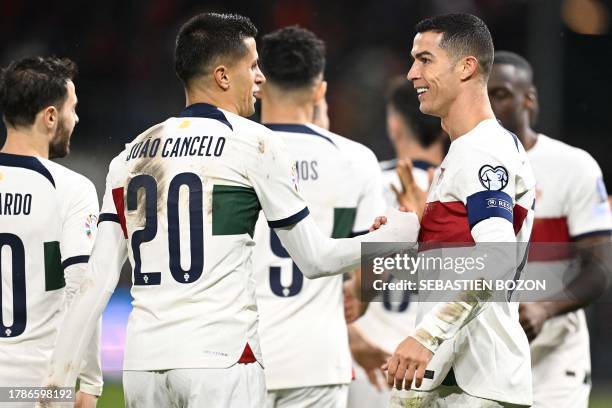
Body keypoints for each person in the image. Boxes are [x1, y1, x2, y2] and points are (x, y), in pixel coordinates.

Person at [40, 12, 418, 407]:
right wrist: (392, 236)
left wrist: (63, 379)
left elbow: (94, 282)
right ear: (223, 76)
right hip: (220, 359)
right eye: (252, 66)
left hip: (143, 364)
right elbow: (315, 258)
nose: (259, 78)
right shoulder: (254, 143)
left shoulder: (129, 156)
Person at [382, 13, 536, 407]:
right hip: (463, 378)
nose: (412, 73)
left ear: (466, 67)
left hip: (473, 381)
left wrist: (425, 336)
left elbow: (497, 258)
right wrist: (418, 235)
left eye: (425, 59)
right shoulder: (471, 148)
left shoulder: (481, 149)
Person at [252, 25, 386, 408]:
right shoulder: (355, 159)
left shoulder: (236, 153)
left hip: (238, 358)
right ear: (320, 90)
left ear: (258, 85)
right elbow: (376, 255)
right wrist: (359, 295)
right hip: (316, 361)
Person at [488, 50, 612, 408]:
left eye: (501, 94)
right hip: (485, 356)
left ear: (529, 99)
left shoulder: (573, 166)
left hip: (554, 361)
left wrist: (544, 309)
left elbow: (601, 267)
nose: (492, 106)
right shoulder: (460, 168)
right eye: (485, 95)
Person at [0, 57, 102, 406]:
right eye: (72, 109)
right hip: (36, 387)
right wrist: (89, 380)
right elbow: (81, 287)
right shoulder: (71, 189)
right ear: (50, 117)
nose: (77, 119)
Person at [347, 77, 446, 408]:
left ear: (394, 124)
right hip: (439, 361)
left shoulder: (364, 182)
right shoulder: (460, 190)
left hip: (367, 363)